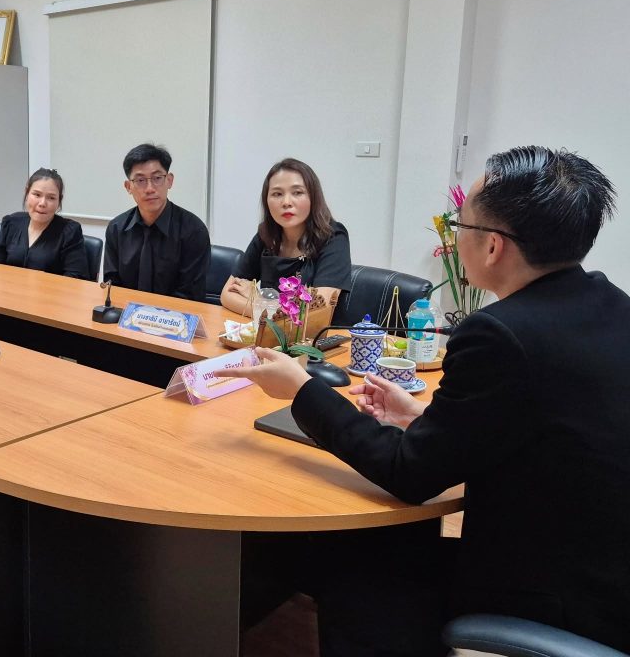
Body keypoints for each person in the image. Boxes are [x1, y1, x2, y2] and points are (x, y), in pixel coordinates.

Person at [218, 146, 630, 654]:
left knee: (352, 567)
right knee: (393, 540)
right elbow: (538, 427)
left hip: (554, 600)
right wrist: (425, 417)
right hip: (604, 573)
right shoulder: (611, 304)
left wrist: (301, 389)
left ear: (493, 246)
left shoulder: (498, 335)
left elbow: (409, 475)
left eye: (461, 224)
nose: (455, 237)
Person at [220, 158, 350, 315]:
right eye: (277, 194)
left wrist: (259, 301)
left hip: (317, 331)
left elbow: (315, 312)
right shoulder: (266, 234)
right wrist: (270, 310)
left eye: (297, 192)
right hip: (268, 329)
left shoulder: (333, 237)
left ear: (313, 198)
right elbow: (227, 294)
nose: (286, 202)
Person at [103, 144, 210, 300]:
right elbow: (112, 286)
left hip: (175, 314)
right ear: (128, 187)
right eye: (140, 180)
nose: (150, 188)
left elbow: (190, 296)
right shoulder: (116, 229)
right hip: (125, 312)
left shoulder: (194, 231)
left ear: (169, 181)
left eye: (157, 178)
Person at [0, 168, 88, 278]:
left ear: (59, 201)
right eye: (37, 195)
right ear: (27, 193)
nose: (42, 203)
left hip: (50, 289)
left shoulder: (70, 232)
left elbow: (75, 278)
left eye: (51, 198)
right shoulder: (11, 223)